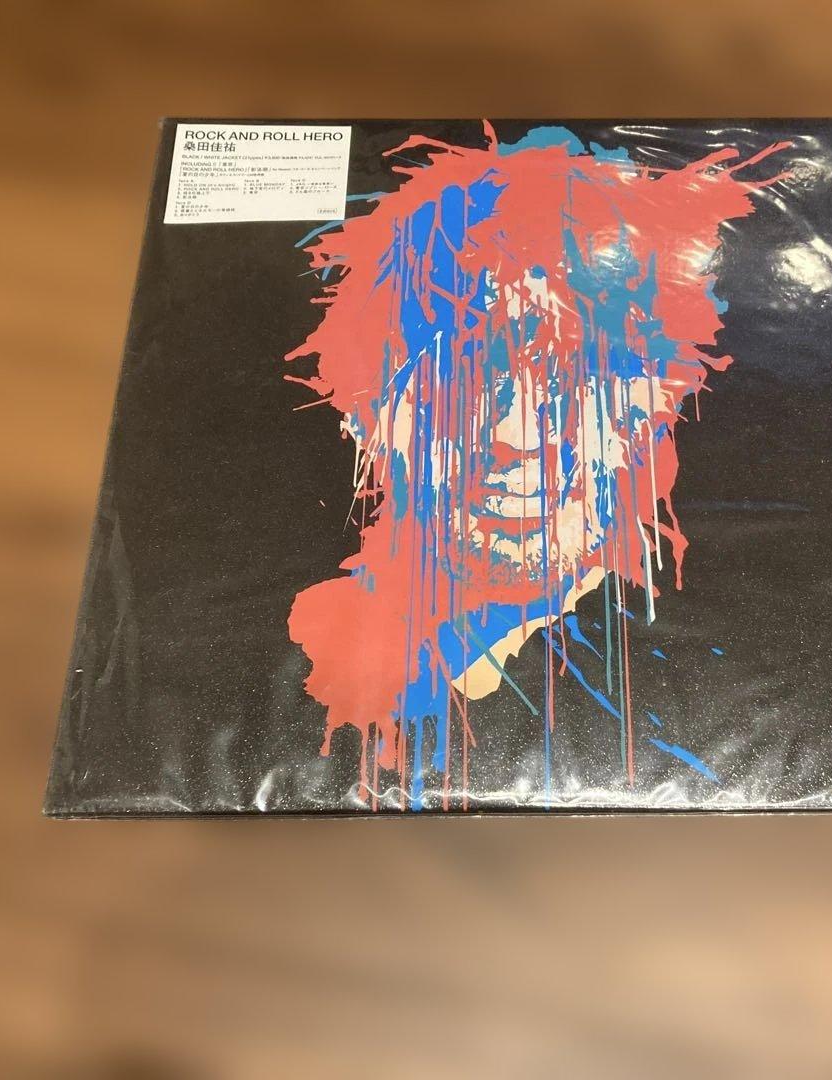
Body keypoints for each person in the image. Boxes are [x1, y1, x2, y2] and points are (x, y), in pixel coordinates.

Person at [284, 124, 788, 809]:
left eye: (572, 376)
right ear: (364, 412)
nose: (517, 435)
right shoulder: (291, 668)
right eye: (462, 377)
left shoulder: (728, 700)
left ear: (657, 408)